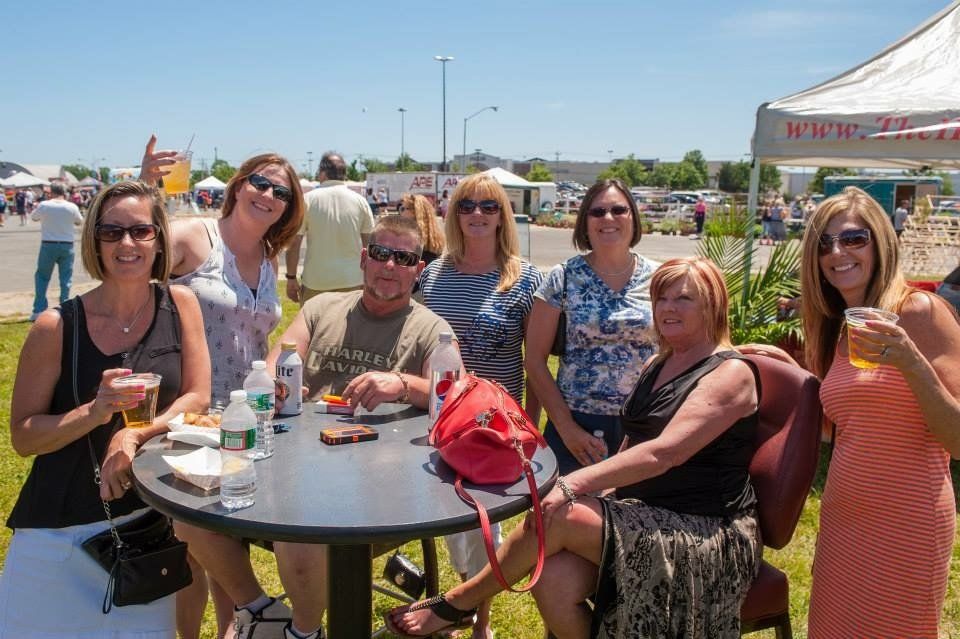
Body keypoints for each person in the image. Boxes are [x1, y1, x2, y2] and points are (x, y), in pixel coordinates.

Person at [387, 257, 762, 638]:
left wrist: (573, 483)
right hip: (647, 510)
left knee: (558, 514)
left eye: (683, 298)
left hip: (706, 531)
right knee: (551, 579)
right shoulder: (658, 363)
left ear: (712, 306)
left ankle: (456, 603)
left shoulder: (731, 374)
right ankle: (461, 605)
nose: (668, 307)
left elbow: (663, 453)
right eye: (661, 298)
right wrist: (605, 493)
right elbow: (634, 441)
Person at [178, 215, 453, 639]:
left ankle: (304, 633)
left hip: (378, 485)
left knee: (300, 533)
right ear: (363, 258)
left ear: (418, 269)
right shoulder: (322, 308)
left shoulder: (431, 328)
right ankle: (261, 610)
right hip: (290, 466)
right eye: (380, 253)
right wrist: (275, 387)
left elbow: (454, 393)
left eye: (403, 258)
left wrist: (402, 384)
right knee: (188, 511)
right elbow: (273, 368)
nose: (389, 266)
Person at [0, 181, 210, 638]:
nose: (127, 243)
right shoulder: (57, 326)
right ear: (94, 241)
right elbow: (24, 436)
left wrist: (132, 434)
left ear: (159, 239)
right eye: (111, 232)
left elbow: (197, 396)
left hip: (143, 533)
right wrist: (95, 412)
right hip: (58, 535)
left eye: (140, 231)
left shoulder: (181, 304)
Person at [140, 136, 306, 638]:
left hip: (244, 416)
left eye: (281, 193)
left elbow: (254, 335)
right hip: (189, 412)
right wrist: (146, 188)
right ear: (238, 187)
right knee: (189, 543)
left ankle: (231, 630)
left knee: (225, 537)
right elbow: (135, 253)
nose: (268, 195)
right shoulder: (195, 238)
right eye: (260, 183)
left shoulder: (268, 258)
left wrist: (272, 382)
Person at [801, 186, 960, 639]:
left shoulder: (920, 311)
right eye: (824, 243)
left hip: (907, 520)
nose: (837, 253)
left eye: (854, 238)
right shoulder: (837, 329)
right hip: (843, 516)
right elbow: (843, 425)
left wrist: (911, 362)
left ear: (881, 243)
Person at [417, 173, 543, 639]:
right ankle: (453, 602)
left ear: (502, 216)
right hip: (441, 422)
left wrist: (533, 426)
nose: (477, 214)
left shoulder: (525, 278)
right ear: (453, 213)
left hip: (496, 429)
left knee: (484, 525)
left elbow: (535, 361)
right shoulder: (434, 276)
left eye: (489, 207)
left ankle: (480, 620)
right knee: (450, 521)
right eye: (466, 205)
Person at [527, 179, 658, 477]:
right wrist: (567, 429)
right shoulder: (562, 278)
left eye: (618, 210)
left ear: (633, 217)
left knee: (633, 505)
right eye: (597, 212)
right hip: (577, 427)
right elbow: (534, 360)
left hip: (642, 425)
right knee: (566, 504)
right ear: (584, 222)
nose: (608, 218)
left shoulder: (660, 278)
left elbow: (685, 347)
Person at [284, 152, 375, 305]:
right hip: (352, 281)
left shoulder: (307, 200)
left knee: (313, 321)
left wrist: (291, 277)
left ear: (322, 173)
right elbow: (370, 245)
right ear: (344, 174)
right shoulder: (361, 201)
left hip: (316, 282)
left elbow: (294, 243)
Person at [30, 182, 84, 322]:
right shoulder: (71, 206)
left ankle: (39, 309)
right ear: (64, 192)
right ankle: (64, 306)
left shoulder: (45, 205)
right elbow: (79, 221)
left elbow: (34, 217)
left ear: (51, 192)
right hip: (67, 244)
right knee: (66, 278)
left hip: (48, 243)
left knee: (42, 277)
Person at [400, 193, 445, 265]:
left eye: (403, 209)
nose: (401, 213)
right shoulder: (434, 235)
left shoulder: (414, 235)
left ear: (414, 212)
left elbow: (409, 264)